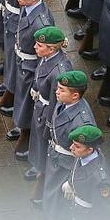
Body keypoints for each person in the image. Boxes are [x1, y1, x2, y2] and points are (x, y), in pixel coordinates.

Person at [46, 125, 110, 220]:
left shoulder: (100, 179)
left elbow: (102, 210)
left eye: (76, 146)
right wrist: (70, 182)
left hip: (86, 219)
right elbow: (76, 170)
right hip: (76, 212)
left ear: (90, 149)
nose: (71, 148)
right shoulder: (82, 156)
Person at [9, 0, 54, 160]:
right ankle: (22, 126)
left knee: (28, 104)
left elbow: (44, 53)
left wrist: (37, 74)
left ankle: (26, 135)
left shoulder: (40, 21)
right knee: (22, 99)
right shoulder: (28, 8)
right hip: (23, 62)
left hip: (32, 67)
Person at [42, 71, 97, 218]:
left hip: (67, 164)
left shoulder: (81, 122)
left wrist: (73, 180)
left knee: (60, 201)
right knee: (52, 193)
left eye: (61, 90)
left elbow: (86, 154)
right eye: (58, 88)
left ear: (75, 96)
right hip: (56, 156)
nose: (57, 92)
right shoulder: (64, 103)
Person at [27, 27, 73, 184]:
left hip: (47, 110)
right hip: (41, 104)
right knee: (37, 137)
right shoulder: (47, 57)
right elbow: (39, 73)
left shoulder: (60, 70)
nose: (35, 47)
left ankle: (42, 168)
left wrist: (49, 122)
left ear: (52, 48)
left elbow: (58, 101)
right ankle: (38, 163)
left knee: (43, 139)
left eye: (39, 45)